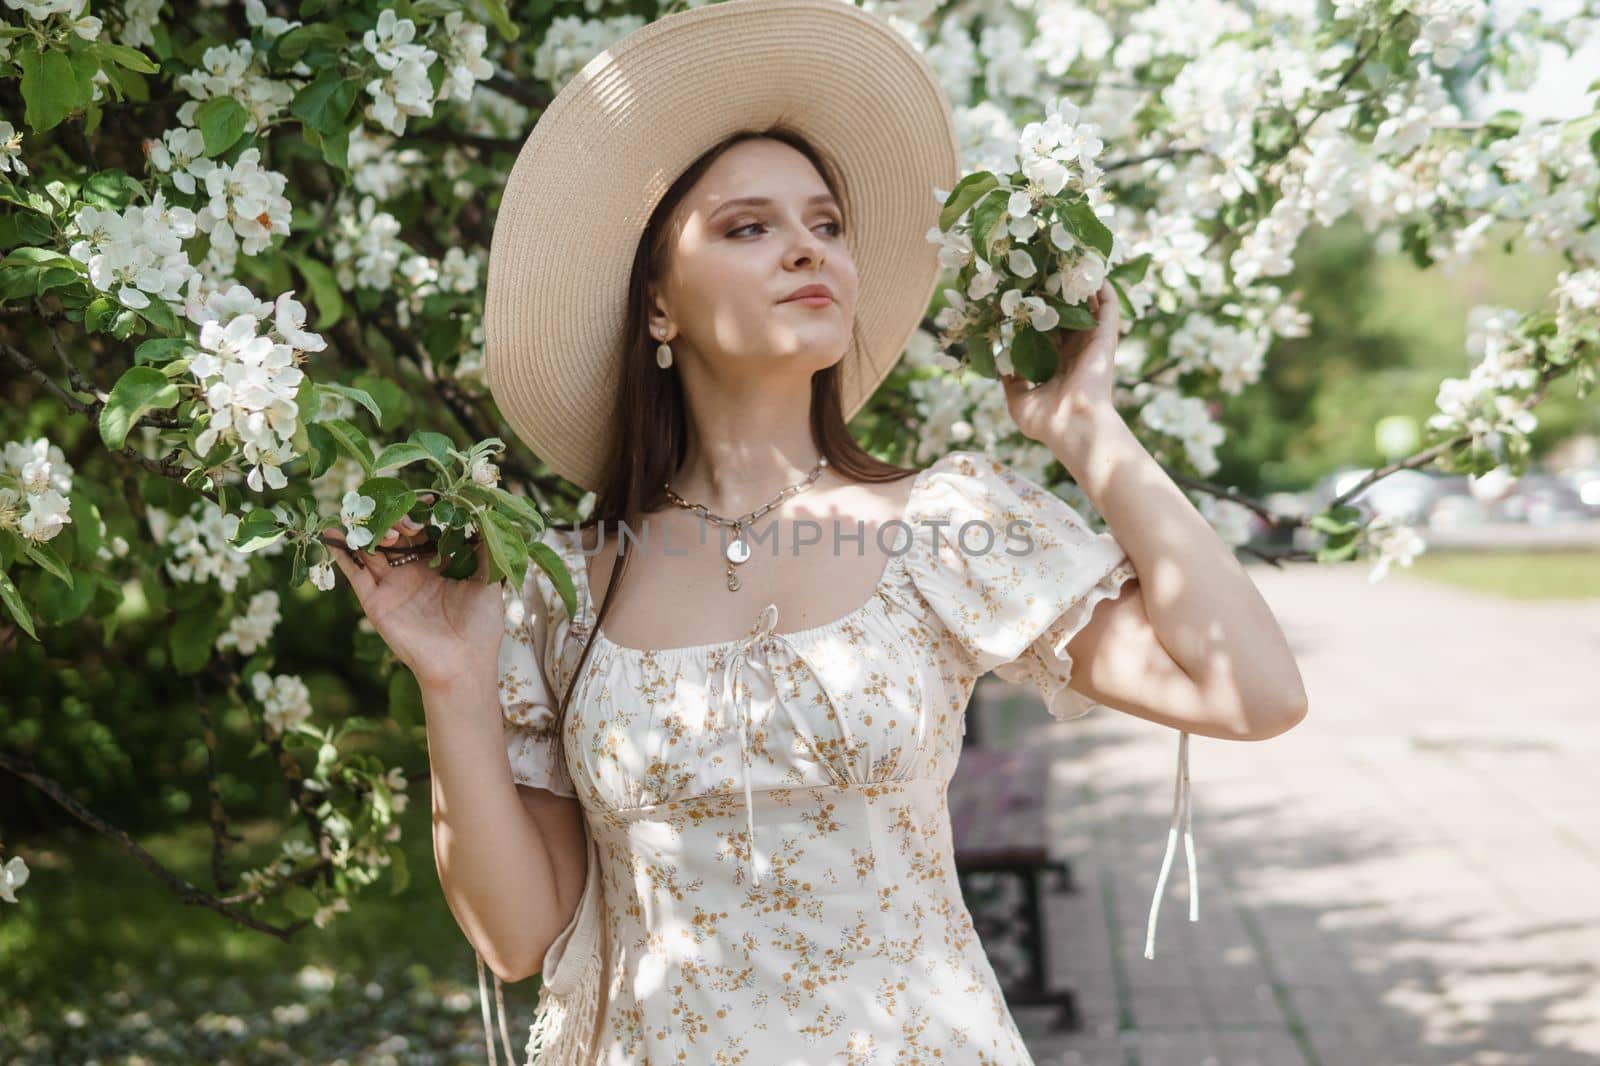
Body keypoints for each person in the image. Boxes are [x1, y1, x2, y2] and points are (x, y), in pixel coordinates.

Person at [327, 0, 1309, 1062]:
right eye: (749, 226)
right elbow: (514, 935)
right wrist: (453, 684)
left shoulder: (945, 528)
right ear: (657, 305)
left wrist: (1088, 429)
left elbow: (1249, 693)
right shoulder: (566, 588)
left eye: (826, 224)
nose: (807, 246)